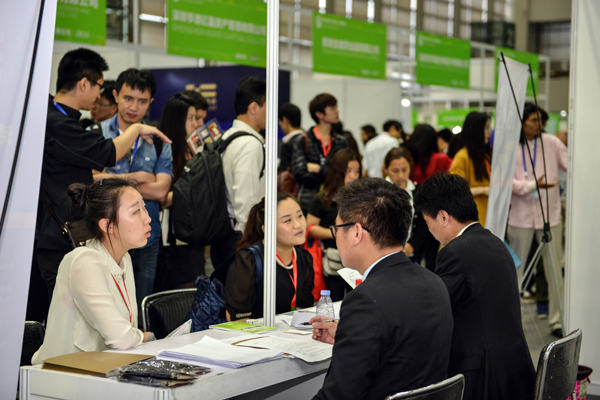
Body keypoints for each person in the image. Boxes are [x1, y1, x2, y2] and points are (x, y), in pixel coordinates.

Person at [35, 48, 169, 303]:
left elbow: (159, 188)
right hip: (61, 239)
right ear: (84, 84)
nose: (99, 94)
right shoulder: (58, 124)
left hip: (76, 236)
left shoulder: (58, 119)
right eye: (98, 86)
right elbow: (109, 153)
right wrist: (136, 130)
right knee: (68, 315)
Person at [310, 178, 453, 400]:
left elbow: (338, 395)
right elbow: (403, 352)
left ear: (356, 233)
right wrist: (350, 335)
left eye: (336, 229)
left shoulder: (365, 300)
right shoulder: (434, 282)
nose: (335, 237)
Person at [413, 174, 536, 400]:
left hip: (482, 377)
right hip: (515, 370)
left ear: (443, 217)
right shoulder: (495, 242)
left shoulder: (454, 252)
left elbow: (433, 310)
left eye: (427, 222)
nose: (429, 231)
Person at [32, 179, 154, 364]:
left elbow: (125, 336)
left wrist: (134, 335)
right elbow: (121, 339)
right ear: (107, 225)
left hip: (101, 369)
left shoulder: (124, 259)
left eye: (144, 208)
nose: (147, 218)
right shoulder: (84, 261)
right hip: (61, 374)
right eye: (136, 211)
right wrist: (141, 336)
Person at [94, 68, 174, 312]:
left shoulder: (159, 141)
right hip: (104, 236)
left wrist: (108, 179)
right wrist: (136, 178)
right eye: (128, 98)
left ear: (150, 102)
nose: (133, 107)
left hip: (146, 238)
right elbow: (90, 183)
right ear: (116, 95)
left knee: (140, 307)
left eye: (142, 101)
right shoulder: (95, 135)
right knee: (104, 307)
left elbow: (161, 192)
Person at [506, 103, 567, 338]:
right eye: (533, 120)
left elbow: (569, 165)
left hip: (550, 215)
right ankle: (513, 323)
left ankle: (557, 320)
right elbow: (504, 181)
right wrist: (532, 185)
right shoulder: (510, 147)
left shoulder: (551, 143)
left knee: (554, 271)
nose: (538, 125)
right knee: (516, 271)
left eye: (541, 120)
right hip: (519, 217)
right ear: (522, 122)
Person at [224, 193, 314, 320]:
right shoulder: (249, 260)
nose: (298, 225)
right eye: (287, 220)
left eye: (300, 215)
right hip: (255, 330)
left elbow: (304, 308)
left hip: (289, 329)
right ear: (267, 229)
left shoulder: (303, 257)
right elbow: (235, 317)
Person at [213, 76, 266, 270]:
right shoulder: (249, 144)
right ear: (253, 107)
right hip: (240, 238)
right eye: (269, 106)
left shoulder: (226, 137)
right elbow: (246, 201)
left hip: (222, 234)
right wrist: (251, 243)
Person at [154, 94, 204, 291]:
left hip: (192, 235)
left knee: (193, 294)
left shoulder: (193, 150)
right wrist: (189, 193)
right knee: (171, 297)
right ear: (176, 120)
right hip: (169, 238)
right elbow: (161, 198)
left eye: (196, 118)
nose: (195, 124)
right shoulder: (162, 150)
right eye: (190, 118)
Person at [307, 149, 361, 301]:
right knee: (334, 301)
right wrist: (335, 233)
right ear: (338, 172)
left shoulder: (362, 199)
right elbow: (310, 227)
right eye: (348, 171)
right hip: (332, 260)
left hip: (358, 261)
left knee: (357, 301)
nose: (354, 176)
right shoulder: (323, 199)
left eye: (357, 171)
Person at [383, 147, 439, 271]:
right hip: (384, 256)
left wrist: (413, 244)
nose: (400, 175)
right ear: (386, 169)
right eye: (395, 171)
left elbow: (424, 224)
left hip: (411, 255)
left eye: (404, 170)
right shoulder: (377, 192)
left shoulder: (418, 191)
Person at [291, 93, 348, 213]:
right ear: (319, 114)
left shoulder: (341, 141)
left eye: (336, 107)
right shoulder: (302, 140)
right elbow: (299, 173)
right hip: (307, 203)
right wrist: (329, 172)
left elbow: (343, 173)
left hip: (334, 203)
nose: (337, 111)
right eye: (332, 108)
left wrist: (318, 168)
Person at [449, 111, 492, 227]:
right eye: (486, 128)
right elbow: (455, 191)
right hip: (472, 222)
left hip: (486, 218)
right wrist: (483, 190)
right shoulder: (462, 157)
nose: (490, 132)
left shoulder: (484, 157)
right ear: (476, 131)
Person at [277, 103, 304, 173]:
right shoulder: (311, 140)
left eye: (280, 122)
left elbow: (283, 172)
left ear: (285, 120)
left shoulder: (286, 145)